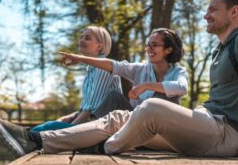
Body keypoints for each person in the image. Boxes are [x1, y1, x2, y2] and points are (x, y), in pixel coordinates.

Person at [0, 0, 238, 159]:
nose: (206, 15)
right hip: (207, 126)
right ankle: (34, 140)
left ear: (234, 13)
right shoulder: (221, 49)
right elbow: (118, 67)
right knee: (121, 114)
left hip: (225, 134)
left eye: (212, 10)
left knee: (149, 107)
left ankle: (104, 148)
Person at [59, 28, 188, 119]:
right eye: (148, 45)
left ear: (168, 50)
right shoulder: (140, 69)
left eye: (154, 45)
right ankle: (91, 128)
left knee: (162, 96)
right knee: (114, 96)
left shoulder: (178, 71)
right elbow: (113, 65)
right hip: (135, 123)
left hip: (161, 127)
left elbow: (181, 87)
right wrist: (80, 58)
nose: (149, 49)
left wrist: (146, 85)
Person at [31, 26, 122, 131]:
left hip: (103, 125)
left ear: (99, 47)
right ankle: (23, 135)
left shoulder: (103, 69)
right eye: (81, 37)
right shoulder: (91, 69)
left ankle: (25, 137)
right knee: (50, 125)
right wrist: (67, 119)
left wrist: (70, 129)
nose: (82, 40)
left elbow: (92, 108)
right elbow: (86, 107)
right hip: (91, 120)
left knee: (49, 127)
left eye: (87, 38)